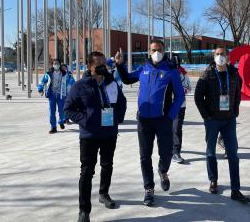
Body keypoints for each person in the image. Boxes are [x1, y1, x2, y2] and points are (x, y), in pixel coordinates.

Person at [115, 39, 185, 206]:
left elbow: (180, 96)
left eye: (159, 49)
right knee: (144, 156)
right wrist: (119, 65)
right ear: (149, 51)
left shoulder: (171, 70)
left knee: (166, 152)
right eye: (154, 49)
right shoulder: (143, 69)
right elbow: (126, 79)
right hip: (144, 121)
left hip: (163, 120)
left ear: (164, 50)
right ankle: (149, 189)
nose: (157, 52)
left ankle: (163, 171)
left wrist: (170, 116)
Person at [64, 51, 127, 222]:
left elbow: (122, 102)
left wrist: (117, 118)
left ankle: (104, 193)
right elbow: (68, 109)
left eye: (103, 63)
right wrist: (84, 119)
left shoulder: (112, 83)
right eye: (98, 63)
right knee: (86, 171)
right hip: (89, 135)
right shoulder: (80, 86)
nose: (102, 66)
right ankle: (84, 210)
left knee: (107, 165)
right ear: (89, 66)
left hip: (109, 133)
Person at [195, 46, 250, 203]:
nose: (220, 56)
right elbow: (198, 98)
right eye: (217, 54)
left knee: (233, 154)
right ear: (214, 57)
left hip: (229, 120)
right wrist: (207, 117)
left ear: (227, 56)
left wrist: (235, 110)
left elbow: (238, 93)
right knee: (211, 152)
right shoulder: (207, 74)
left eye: (223, 54)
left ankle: (235, 189)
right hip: (213, 120)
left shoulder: (233, 73)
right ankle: (213, 180)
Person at [38, 59, 75, 134]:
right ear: (52, 64)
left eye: (57, 63)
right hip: (52, 95)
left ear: (60, 64)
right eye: (54, 63)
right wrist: (40, 89)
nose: (56, 65)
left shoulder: (65, 74)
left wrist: (72, 91)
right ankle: (53, 127)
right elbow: (42, 81)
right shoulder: (48, 74)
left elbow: (72, 82)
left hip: (62, 95)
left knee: (62, 111)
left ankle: (61, 121)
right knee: (52, 111)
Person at [170, 54, 192, 164]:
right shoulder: (166, 73)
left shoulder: (183, 73)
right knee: (168, 129)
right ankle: (169, 149)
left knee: (177, 128)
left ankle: (176, 152)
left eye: (178, 65)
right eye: (175, 65)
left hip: (180, 106)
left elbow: (189, 88)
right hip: (168, 106)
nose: (177, 67)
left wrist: (180, 92)